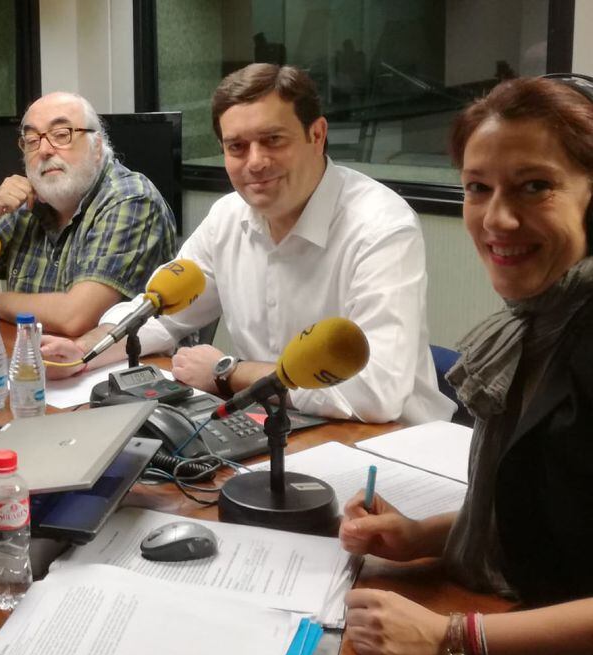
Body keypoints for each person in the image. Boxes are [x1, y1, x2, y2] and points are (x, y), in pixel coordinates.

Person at [276, 75, 593, 655]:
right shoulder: (549, 321)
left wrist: (457, 639)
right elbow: (562, 511)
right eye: (478, 189)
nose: (497, 219)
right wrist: (425, 535)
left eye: (534, 187)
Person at [43, 64, 454, 424]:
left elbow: (377, 393)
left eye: (273, 140)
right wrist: (83, 351)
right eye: (237, 147)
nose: (255, 162)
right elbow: (162, 315)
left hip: (389, 448)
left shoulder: (381, 226)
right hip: (278, 425)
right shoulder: (228, 217)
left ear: (317, 134)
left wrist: (228, 371)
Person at [0, 91, 176, 337]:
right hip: (36, 357)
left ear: (96, 147)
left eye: (61, 135)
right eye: (32, 140)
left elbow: (76, 317)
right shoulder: (26, 204)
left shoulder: (131, 199)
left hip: (121, 368)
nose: (44, 150)